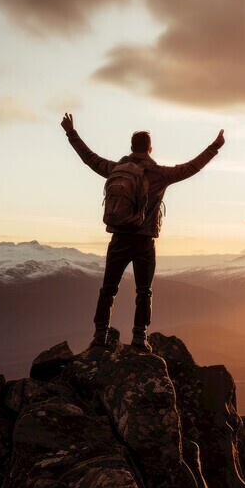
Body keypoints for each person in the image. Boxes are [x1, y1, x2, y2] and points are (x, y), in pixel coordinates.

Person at [61, 112, 224, 351]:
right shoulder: (160, 174)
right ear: (150, 148)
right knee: (144, 291)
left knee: (108, 289)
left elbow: (90, 158)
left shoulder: (116, 168)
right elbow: (192, 167)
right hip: (144, 241)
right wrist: (215, 147)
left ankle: (100, 335)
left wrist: (71, 133)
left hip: (119, 239)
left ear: (131, 147)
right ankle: (140, 337)